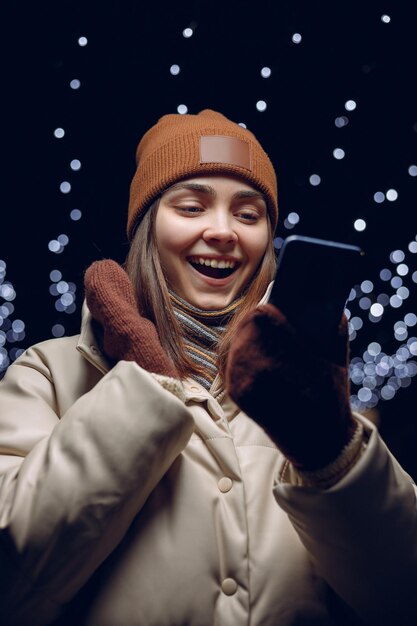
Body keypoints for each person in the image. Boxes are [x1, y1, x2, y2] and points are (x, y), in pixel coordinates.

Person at [0, 109, 416, 626]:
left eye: (248, 214)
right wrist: (147, 380)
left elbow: (403, 597)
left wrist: (329, 451)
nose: (222, 231)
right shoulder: (51, 373)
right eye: (192, 206)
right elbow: (12, 588)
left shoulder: (296, 386)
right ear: (149, 228)